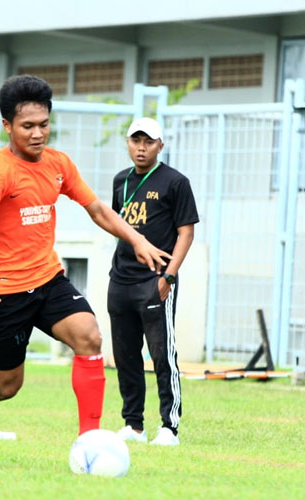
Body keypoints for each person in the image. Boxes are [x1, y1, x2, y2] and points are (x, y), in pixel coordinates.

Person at [0, 75, 172, 457]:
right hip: (2, 292)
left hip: (47, 280)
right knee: (5, 386)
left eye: (44, 124)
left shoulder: (58, 164)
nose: (38, 133)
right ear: (7, 126)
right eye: (27, 126)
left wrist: (138, 240)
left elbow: (97, 210)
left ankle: (88, 444)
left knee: (89, 336)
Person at [108, 117, 198, 446]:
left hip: (155, 281)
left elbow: (186, 232)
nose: (141, 147)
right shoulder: (121, 181)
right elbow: (119, 225)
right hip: (121, 280)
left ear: (161, 145)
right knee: (125, 355)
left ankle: (168, 427)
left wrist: (169, 275)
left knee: (162, 354)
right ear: (128, 143)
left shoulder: (175, 182)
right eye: (135, 140)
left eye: (148, 141)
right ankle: (133, 425)